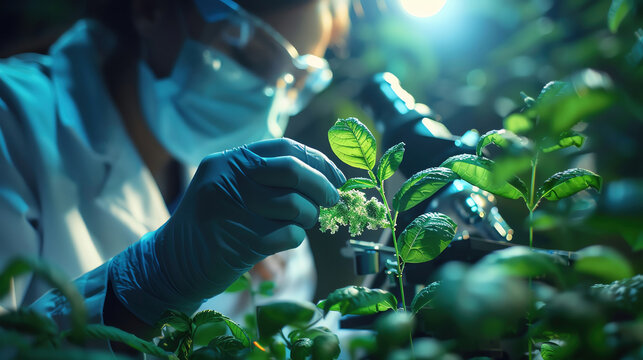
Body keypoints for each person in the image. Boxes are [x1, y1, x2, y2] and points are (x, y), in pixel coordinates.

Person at [0, 0, 350, 346]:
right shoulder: (13, 122)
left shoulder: (258, 199)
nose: (270, 100)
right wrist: (150, 282)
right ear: (151, 9)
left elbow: (283, 338)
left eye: (296, 83)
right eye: (252, 58)